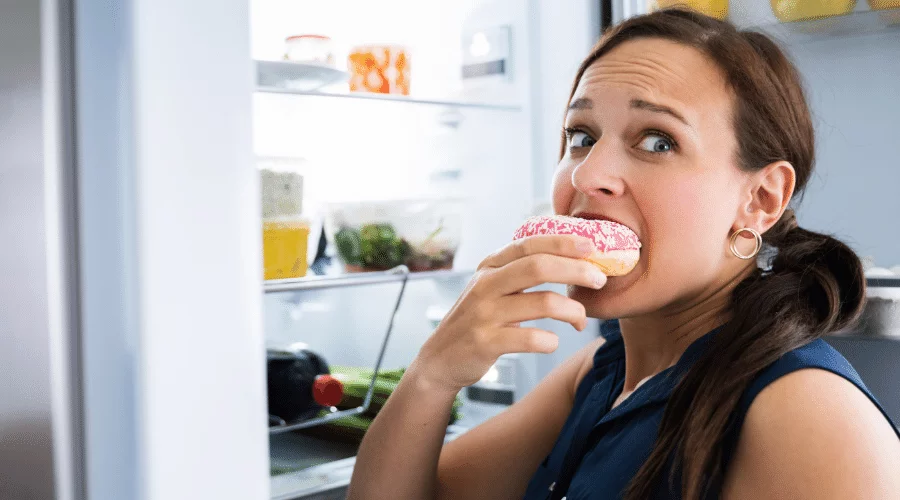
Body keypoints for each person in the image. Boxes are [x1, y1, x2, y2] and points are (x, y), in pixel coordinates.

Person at [345, 8, 900, 500]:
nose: (588, 175)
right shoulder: (603, 370)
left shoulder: (807, 416)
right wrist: (433, 375)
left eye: (657, 141)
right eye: (581, 135)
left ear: (760, 199)